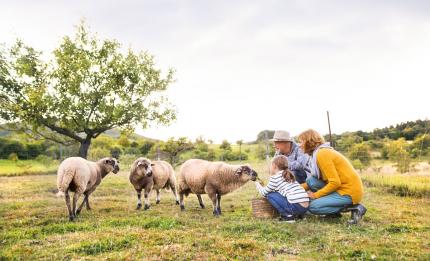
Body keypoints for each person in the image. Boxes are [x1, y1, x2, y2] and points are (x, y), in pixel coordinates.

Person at [298, 129, 367, 223]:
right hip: (341, 188)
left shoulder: (322, 154)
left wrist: (316, 195)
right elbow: (312, 182)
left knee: (313, 207)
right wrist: (295, 189)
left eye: (301, 141)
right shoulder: (318, 153)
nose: (299, 145)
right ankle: (334, 211)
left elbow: (335, 182)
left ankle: (354, 208)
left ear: (309, 141)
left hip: (349, 191)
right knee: (313, 181)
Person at [255, 155, 309, 223]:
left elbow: (264, 192)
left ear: (274, 166)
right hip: (305, 207)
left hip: (296, 206)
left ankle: (288, 217)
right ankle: (300, 215)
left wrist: (258, 186)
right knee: (286, 195)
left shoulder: (275, 178)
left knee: (270, 194)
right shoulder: (289, 175)